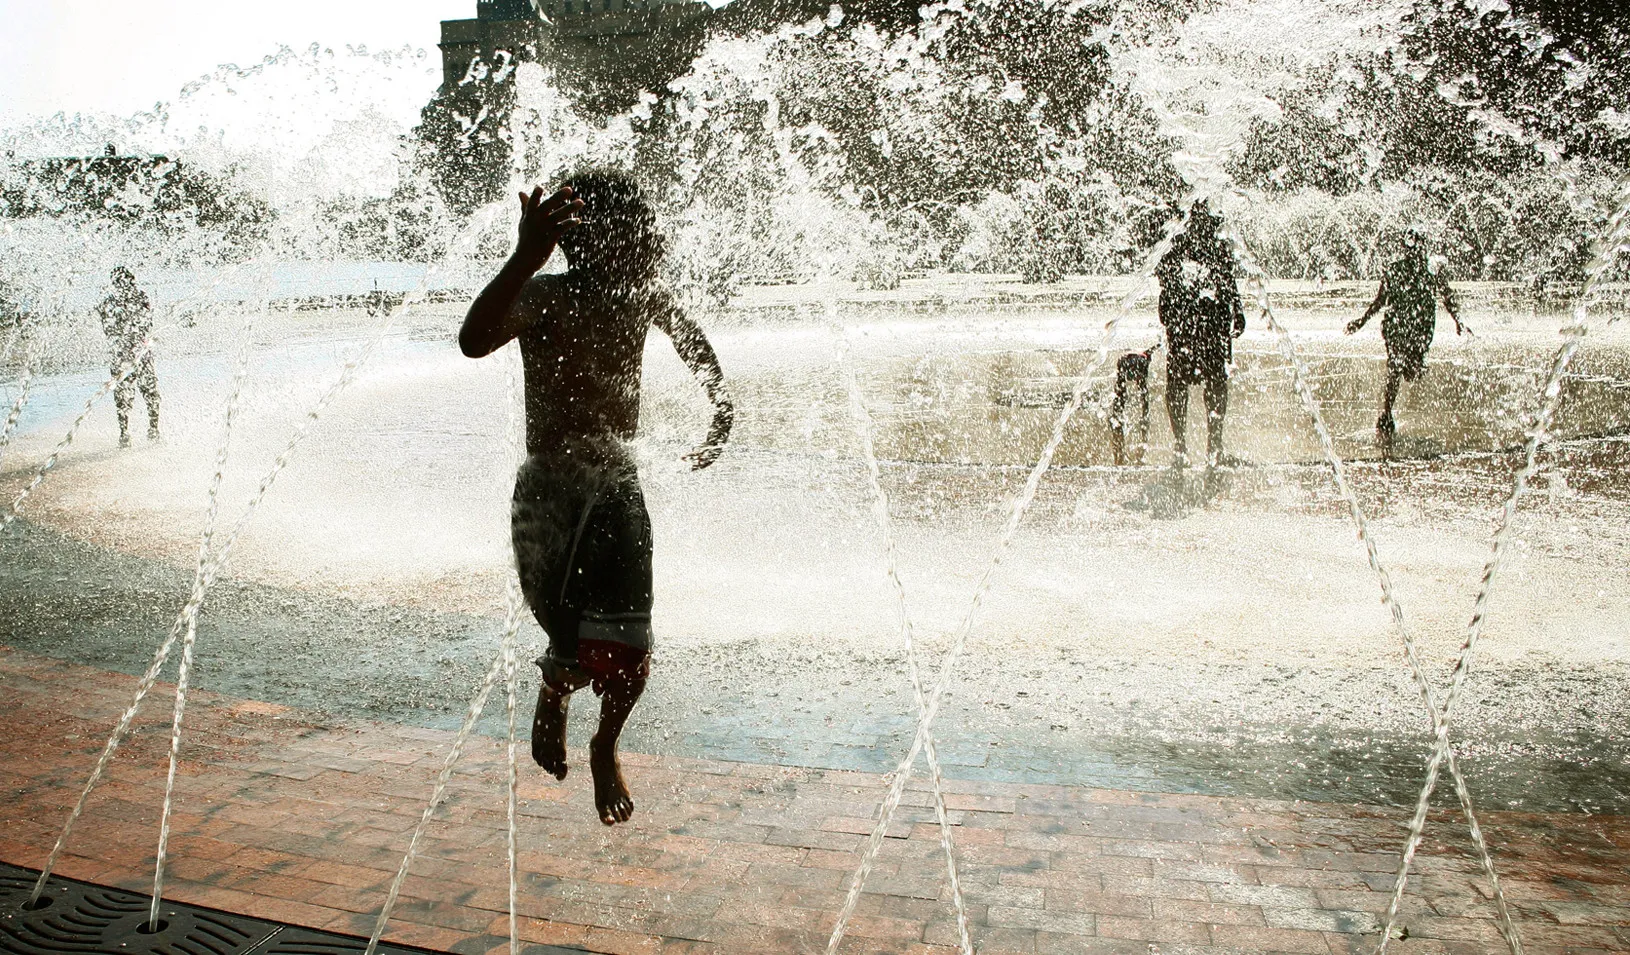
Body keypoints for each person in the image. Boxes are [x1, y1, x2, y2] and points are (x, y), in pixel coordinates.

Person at [458, 170, 733, 826]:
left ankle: (605, 741)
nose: (650, 241)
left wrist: (720, 405)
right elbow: (473, 340)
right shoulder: (546, 295)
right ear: (591, 239)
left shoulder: (642, 297)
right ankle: (554, 692)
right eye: (639, 230)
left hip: (614, 483)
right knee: (568, 625)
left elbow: (694, 342)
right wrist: (524, 260)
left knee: (630, 639)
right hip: (550, 491)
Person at [1345, 228, 1465, 450]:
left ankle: (1408, 373)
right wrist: (1361, 321)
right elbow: (1381, 300)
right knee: (1395, 366)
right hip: (1398, 326)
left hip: (1420, 327)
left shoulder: (1431, 271)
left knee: (1408, 369)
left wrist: (1458, 320)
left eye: (1417, 248)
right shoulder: (1396, 270)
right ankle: (1387, 412)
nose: (1415, 253)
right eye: (1412, 248)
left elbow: (1447, 296)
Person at [1155, 202, 1245, 468]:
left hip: (1209, 319)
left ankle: (1212, 445)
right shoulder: (1176, 236)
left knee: (1213, 381)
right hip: (1186, 320)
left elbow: (1227, 278)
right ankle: (1183, 445)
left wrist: (1237, 309)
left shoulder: (1215, 240)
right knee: (1180, 383)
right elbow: (1164, 276)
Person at [97, 267, 160, 447]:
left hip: (124, 354)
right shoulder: (140, 298)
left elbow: (108, 330)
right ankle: (151, 430)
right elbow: (147, 324)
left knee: (124, 395)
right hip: (138, 353)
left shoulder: (110, 302)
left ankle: (127, 434)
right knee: (149, 392)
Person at [1108, 349, 1151, 466]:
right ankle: (1140, 455)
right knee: (1144, 399)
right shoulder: (1143, 362)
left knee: (1119, 399)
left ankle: (1119, 456)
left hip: (1126, 360)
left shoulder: (1124, 361)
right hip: (1138, 360)